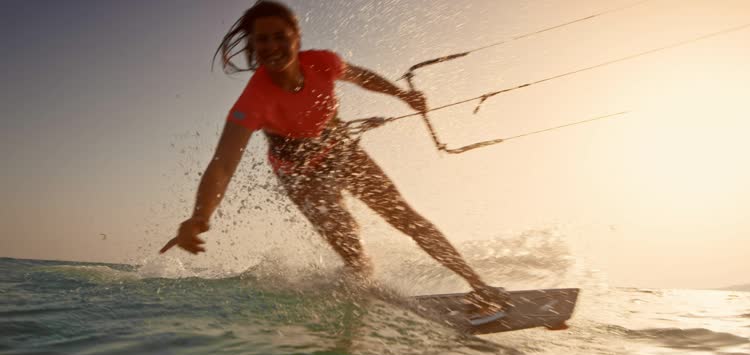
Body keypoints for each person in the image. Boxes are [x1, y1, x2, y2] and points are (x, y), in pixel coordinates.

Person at [160, 0, 505, 311]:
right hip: (299, 175)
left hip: (342, 152)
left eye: (280, 36)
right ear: (252, 45)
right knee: (355, 257)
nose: (271, 47)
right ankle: (356, 320)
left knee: (407, 219)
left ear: (296, 36)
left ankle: (479, 286)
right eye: (262, 40)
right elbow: (222, 164)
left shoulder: (323, 63)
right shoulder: (252, 102)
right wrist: (199, 216)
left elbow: (363, 78)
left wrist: (402, 95)